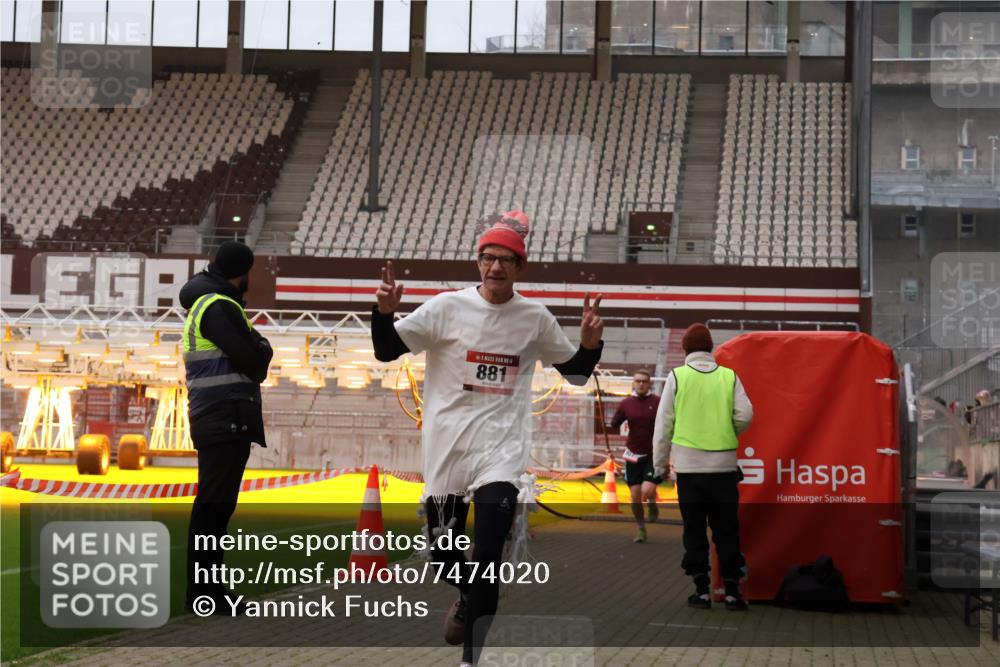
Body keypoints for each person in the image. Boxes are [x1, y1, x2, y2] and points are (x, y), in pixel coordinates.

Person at [370, 211, 604, 667]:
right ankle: (469, 598)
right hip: (447, 452)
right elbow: (386, 350)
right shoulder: (446, 308)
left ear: (521, 268)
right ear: (478, 263)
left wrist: (591, 344)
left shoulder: (534, 318)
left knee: (490, 553)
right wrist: (384, 313)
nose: (495, 267)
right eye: (488, 258)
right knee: (444, 559)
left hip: (502, 452)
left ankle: (471, 660)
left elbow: (575, 374)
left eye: (506, 260)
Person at [181, 241, 273, 614]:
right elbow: (257, 363)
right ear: (243, 272)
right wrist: (262, 344)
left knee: (213, 509)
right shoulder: (220, 306)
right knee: (213, 510)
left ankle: (207, 592)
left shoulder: (207, 302)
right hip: (224, 416)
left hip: (217, 416)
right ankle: (206, 594)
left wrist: (257, 344)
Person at [652, 323, 753, 611]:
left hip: (689, 469)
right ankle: (733, 591)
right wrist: (726, 428)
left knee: (694, 530)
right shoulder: (729, 376)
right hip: (723, 469)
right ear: (711, 348)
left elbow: (663, 427)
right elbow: (745, 414)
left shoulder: (677, 377)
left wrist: (659, 467)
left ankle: (702, 590)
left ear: (684, 349)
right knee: (727, 530)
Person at [610, 369, 661, 543]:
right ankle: (641, 528)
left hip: (653, 454)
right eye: (637, 381)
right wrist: (612, 423)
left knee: (647, 490)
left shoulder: (658, 402)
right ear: (633, 383)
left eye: (644, 381)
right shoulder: (626, 403)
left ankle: (652, 502)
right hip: (632, 454)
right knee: (635, 496)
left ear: (649, 384)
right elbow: (614, 423)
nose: (640, 384)